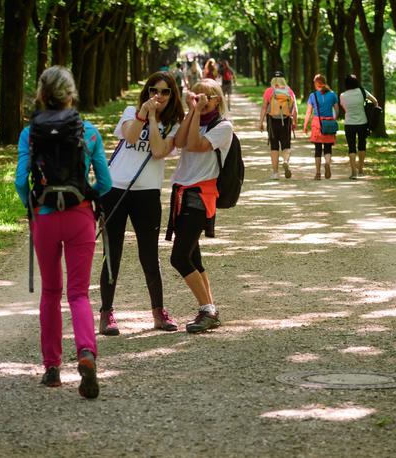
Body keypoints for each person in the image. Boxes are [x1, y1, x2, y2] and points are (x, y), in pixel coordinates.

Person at [14, 66, 111, 397]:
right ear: (72, 94)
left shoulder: (30, 133)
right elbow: (106, 183)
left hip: (45, 217)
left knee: (51, 293)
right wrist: (91, 195)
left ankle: (52, 369)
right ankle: (86, 352)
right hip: (80, 215)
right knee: (79, 293)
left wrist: (33, 203)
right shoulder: (90, 132)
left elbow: (19, 181)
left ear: (41, 94)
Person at [99, 71, 185, 336]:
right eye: (153, 90)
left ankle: (158, 312)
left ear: (173, 95)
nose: (158, 96)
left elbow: (159, 151)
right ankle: (106, 314)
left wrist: (153, 119)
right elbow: (131, 137)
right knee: (112, 253)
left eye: (165, 91)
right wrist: (143, 115)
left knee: (149, 255)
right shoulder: (129, 111)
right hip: (115, 189)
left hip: (147, 193)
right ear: (146, 92)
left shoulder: (173, 124)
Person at [167, 78, 233, 333]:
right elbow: (182, 142)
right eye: (197, 95)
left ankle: (207, 310)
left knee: (179, 257)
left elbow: (196, 144)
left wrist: (195, 111)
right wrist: (192, 111)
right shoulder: (193, 118)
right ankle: (210, 308)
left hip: (200, 195)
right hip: (182, 193)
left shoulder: (223, 127)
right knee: (193, 255)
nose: (201, 100)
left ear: (218, 99)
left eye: (207, 97)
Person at [259, 71, 297, 180]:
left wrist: (260, 122)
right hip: (286, 120)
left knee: (274, 146)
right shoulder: (289, 91)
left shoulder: (269, 91)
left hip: (272, 121)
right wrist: (294, 122)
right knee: (286, 145)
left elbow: (264, 108)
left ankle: (275, 173)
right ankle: (285, 161)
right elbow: (294, 109)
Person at [338, 74, 378, 179]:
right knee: (361, 145)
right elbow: (375, 102)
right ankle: (361, 169)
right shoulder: (363, 92)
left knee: (351, 147)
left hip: (349, 123)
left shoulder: (342, 95)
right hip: (362, 122)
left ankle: (353, 172)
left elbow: (344, 108)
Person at [303, 74, 339, 180]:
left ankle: (318, 173)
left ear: (316, 83)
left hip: (317, 124)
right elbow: (337, 110)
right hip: (329, 123)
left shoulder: (313, 96)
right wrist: (334, 119)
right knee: (328, 147)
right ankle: (327, 163)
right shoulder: (332, 95)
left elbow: (308, 112)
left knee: (318, 149)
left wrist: (305, 125)